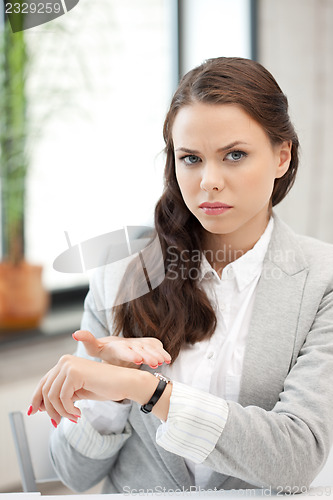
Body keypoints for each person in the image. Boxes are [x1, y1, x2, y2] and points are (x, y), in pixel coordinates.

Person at [28, 57, 333, 494]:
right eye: (191, 158)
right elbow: (75, 476)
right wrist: (110, 397)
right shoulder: (122, 277)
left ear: (282, 156)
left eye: (235, 155)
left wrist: (145, 389)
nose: (208, 181)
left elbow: (296, 457)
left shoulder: (323, 281)